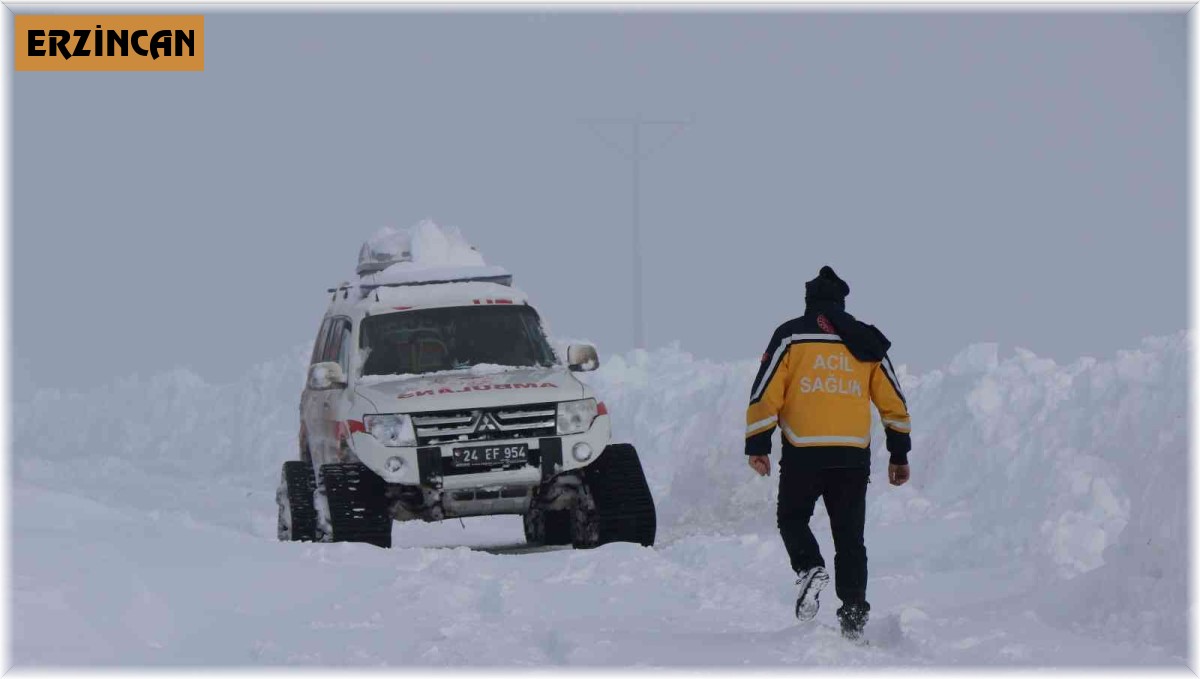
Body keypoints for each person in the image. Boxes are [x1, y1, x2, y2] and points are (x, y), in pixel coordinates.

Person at [744, 265, 912, 641]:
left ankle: (809, 568)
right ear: (842, 302)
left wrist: (758, 444)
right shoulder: (866, 341)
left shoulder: (789, 336)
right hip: (852, 456)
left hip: (804, 452)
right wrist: (899, 454)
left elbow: (765, 392)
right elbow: (894, 403)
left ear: (809, 303)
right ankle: (853, 617)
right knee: (850, 539)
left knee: (792, 518)